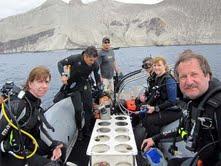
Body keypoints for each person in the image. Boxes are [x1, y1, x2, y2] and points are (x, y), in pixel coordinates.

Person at [141, 52, 221, 166]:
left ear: (208, 76)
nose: (188, 82)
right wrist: (154, 138)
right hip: (202, 159)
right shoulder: (193, 103)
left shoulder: (217, 107)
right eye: (183, 77)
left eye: (194, 74)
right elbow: (182, 130)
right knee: (173, 163)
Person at [0, 66, 72, 166]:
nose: (44, 86)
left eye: (46, 82)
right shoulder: (18, 105)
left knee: (61, 147)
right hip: (10, 153)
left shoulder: (35, 104)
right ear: (30, 83)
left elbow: (40, 129)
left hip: (27, 144)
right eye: (40, 82)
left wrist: (53, 145)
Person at [57, 46, 101, 140]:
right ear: (85, 56)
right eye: (90, 60)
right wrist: (63, 75)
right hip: (73, 85)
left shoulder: (94, 63)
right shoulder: (75, 58)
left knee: (88, 107)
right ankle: (80, 130)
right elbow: (60, 63)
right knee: (78, 109)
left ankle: (87, 130)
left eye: (94, 60)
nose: (92, 62)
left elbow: (97, 75)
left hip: (84, 84)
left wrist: (99, 85)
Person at [141, 57, 182, 137]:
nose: (156, 68)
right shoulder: (158, 78)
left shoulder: (169, 80)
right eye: (155, 65)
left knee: (149, 120)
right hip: (163, 108)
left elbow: (172, 101)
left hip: (173, 110)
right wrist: (148, 105)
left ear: (165, 66)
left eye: (159, 65)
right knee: (144, 114)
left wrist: (155, 108)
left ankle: (155, 142)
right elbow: (155, 95)